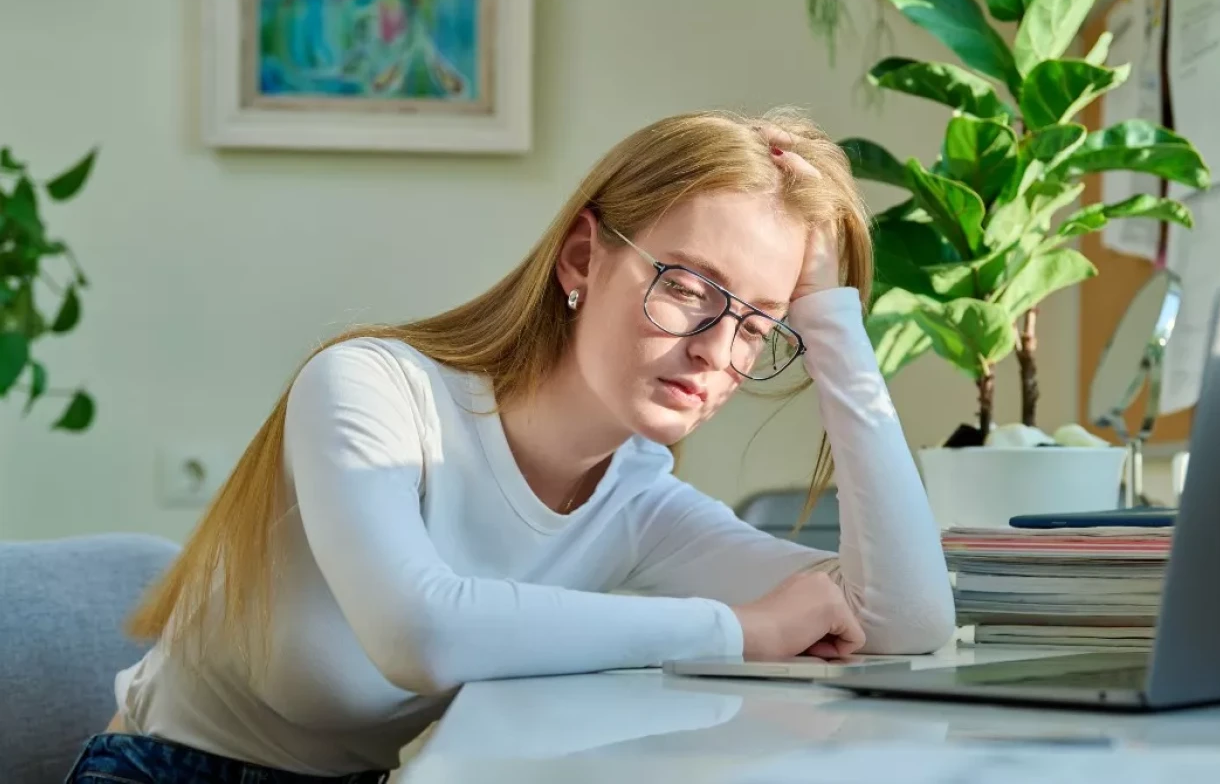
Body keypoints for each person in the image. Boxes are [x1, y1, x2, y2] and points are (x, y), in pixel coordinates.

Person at [65, 108, 956, 783]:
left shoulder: (638, 500)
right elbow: (424, 634)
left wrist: (832, 320)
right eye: (691, 289)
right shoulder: (373, 388)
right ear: (581, 259)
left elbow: (901, 625)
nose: (718, 353)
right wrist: (741, 631)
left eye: (758, 323)